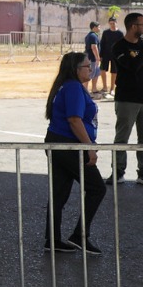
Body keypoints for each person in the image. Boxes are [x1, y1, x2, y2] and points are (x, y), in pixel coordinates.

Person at [40, 52, 105, 255]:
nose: (91, 69)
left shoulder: (67, 86)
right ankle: (79, 236)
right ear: (76, 70)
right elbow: (74, 120)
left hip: (57, 142)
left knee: (59, 193)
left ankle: (53, 239)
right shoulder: (74, 87)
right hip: (69, 145)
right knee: (97, 188)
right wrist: (89, 147)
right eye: (87, 66)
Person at [110, 12, 143, 186]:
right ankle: (118, 171)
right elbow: (133, 67)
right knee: (122, 137)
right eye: (142, 25)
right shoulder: (119, 47)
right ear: (133, 26)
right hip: (127, 100)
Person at [98, 16, 124, 98]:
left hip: (115, 55)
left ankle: (112, 88)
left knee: (114, 72)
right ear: (109, 23)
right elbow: (102, 43)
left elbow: (122, 45)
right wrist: (100, 55)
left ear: (116, 23)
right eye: (111, 23)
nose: (112, 25)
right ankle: (105, 87)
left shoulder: (120, 33)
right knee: (102, 69)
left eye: (113, 23)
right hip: (105, 54)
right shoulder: (106, 32)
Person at [84, 21, 103, 94]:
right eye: (98, 27)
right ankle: (85, 90)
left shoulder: (92, 35)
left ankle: (94, 89)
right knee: (89, 74)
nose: (99, 29)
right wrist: (97, 58)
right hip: (92, 58)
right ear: (94, 27)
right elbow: (94, 47)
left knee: (96, 73)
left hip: (93, 58)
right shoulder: (92, 36)